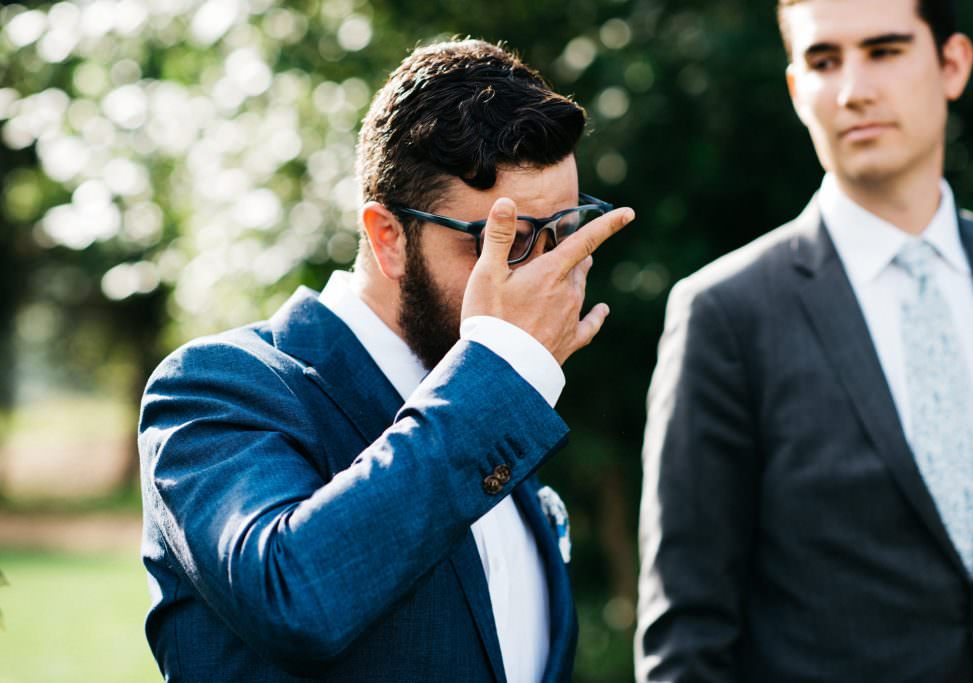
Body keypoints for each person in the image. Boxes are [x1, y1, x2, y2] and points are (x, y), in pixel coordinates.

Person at [138, 39, 634, 682]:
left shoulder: (499, 415)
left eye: (563, 232)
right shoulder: (219, 388)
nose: (542, 275)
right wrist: (504, 368)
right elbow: (296, 595)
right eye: (502, 242)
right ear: (388, 236)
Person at [636, 0, 973, 680]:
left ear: (953, 63)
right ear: (796, 90)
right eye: (823, 61)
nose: (853, 90)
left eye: (884, 50)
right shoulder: (726, 315)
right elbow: (687, 635)